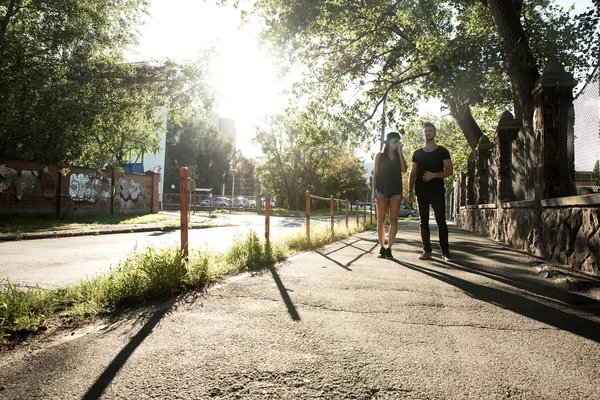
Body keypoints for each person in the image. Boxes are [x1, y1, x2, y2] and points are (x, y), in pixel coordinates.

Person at [408, 122, 453, 261]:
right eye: (426, 131)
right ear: (424, 133)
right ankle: (427, 251)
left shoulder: (442, 151)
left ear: (434, 133)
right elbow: (413, 172)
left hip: (437, 191)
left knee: (441, 221)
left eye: (430, 130)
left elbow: (449, 171)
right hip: (421, 191)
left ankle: (445, 252)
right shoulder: (417, 153)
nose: (428, 133)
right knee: (423, 221)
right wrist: (409, 190)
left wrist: (434, 175)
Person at [372, 131, 408, 259]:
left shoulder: (399, 157)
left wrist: (400, 151)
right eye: (394, 140)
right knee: (381, 220)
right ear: (388, 142)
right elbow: (375, 174)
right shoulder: (379, 156)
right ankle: (381, 247)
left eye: (398, 141)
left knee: (393, 219)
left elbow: (404, 170)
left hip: (396, 192)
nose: (396, 142)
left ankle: (389, 248)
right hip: (381, 191)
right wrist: (373, 190)